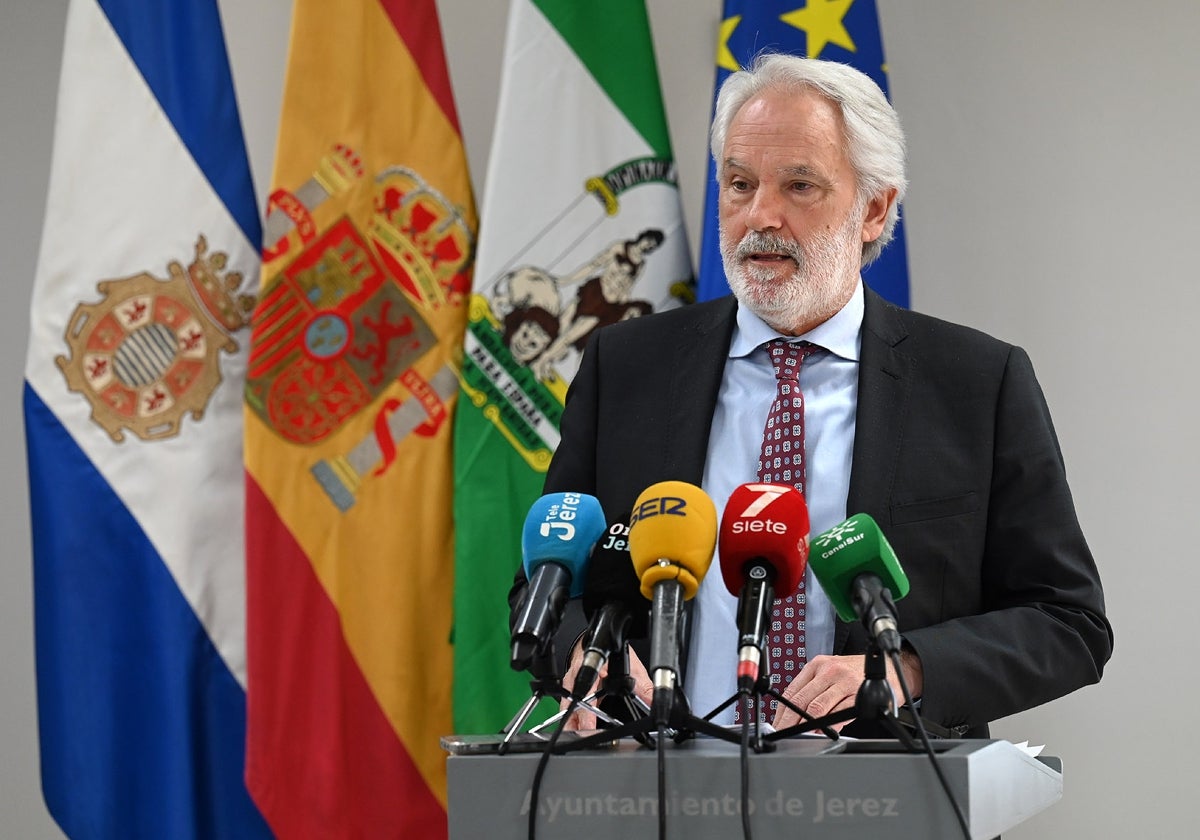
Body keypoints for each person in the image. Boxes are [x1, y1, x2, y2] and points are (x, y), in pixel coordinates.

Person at [514, 53, 1112, 738]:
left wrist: (905, 669)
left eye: (799, 186)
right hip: (659, 789)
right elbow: (546, 584)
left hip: (883, 799)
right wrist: (590, 656)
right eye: (739, 184)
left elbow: (1069, 622)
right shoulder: (628, 367)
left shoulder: (976, 383)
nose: (759, 215)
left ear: (875, 210)